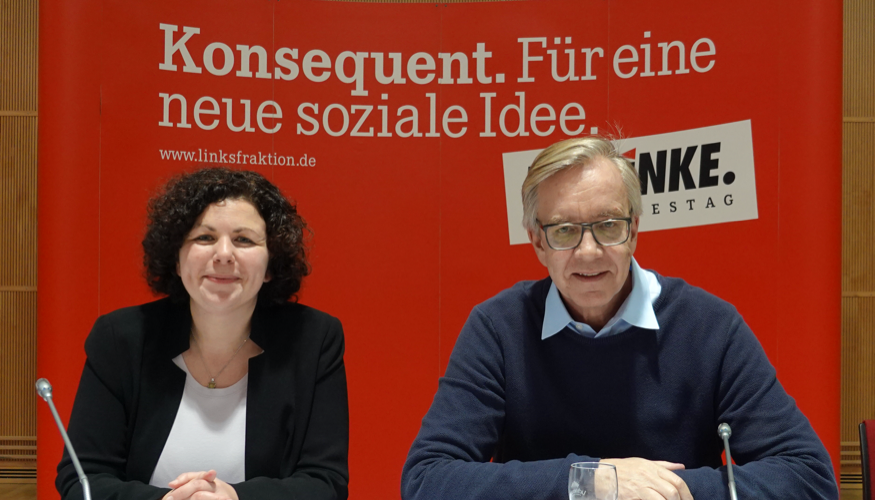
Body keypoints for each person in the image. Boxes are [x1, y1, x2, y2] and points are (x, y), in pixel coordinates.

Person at [401, 137, 838, 500]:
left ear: (635, 229)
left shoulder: (710, 326)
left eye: (608, 226)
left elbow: (809, 479)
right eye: (565, 231)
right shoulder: (499, 328)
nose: (589, 252)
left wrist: (664, 490)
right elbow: (427, 480)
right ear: (537, 242)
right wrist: (591, 481)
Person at [56, 168, 349, 500]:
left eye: (244, 240)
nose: (223, 254)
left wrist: (235, 499)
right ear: (177, 261)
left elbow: (326, 483)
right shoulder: (120, 338)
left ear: (270, 266)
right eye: (204, 238)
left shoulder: (313, 339)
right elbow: (82, 480)